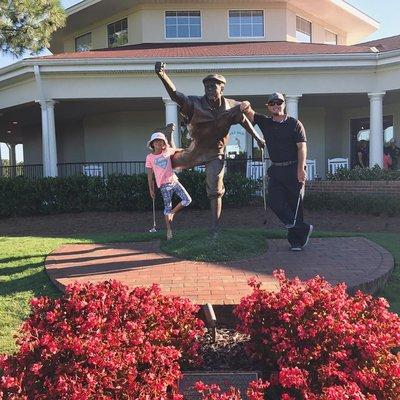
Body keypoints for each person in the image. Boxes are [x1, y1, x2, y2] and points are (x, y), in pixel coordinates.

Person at [155, 62, 265, 236]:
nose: (209, 89)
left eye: (213, 87)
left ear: (222, 89)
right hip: (195, 151)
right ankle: (169, 139)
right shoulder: (194, 103)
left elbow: (244, 119)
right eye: (207, 87)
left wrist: (258, 137)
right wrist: (163, 75)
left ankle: (215, 229)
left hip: (215, 153)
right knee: (170, 162)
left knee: (215, 190)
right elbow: (175, 95)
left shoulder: (231, 106)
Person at [241, 93, 313, 251]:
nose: (276, 105)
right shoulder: (265, 122)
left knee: (295, 207)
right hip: (276, 169)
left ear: (284, 104)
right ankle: (302, 228)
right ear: (268, 106)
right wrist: (245, 104)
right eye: (272, 103)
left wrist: (301, 169)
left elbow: (302, 147)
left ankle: (296, 242)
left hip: (294, 169)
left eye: (279, 102)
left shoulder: (295, 124)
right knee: (275, 202)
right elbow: (250, 113)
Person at [145, 129, 192, 240]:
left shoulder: (168, 151)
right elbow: (150, 176)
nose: (159, 143)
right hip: (164, 186)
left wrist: (187, 151)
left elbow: (178, 150)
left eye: (161, 141)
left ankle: (173, 213)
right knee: (167, 207)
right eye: (156, 141)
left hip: (174, 181)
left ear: (164, 143)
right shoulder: (150, 158)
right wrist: (151, 190)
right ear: (152, 144)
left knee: (188, 200)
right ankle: (169, 230)